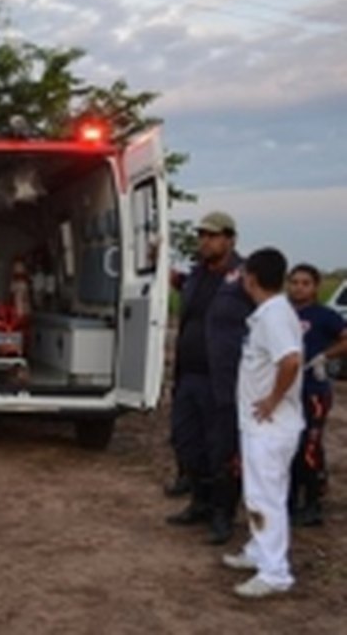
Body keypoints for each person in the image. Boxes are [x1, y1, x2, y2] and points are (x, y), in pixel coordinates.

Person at [166, 211, 253, 545]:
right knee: (187, 443)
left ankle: (222, 515)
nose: (205, 241)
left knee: (222, 450)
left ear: (230, 239)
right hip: (188, 376)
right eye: (202, 235)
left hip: (224, 381)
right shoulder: (197, 276)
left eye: (213, 235)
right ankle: (199, 503)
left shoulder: (245, 277)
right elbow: (180, 293)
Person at [222, 248, 304, 599]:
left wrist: (272, 399)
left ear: (251, 278)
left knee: (265, 496)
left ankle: (274, 571)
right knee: (263, 492)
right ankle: (259, 550)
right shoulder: (270, 313)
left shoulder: (273, 316)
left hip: (270, 426)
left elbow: (290, 361)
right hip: (261, 425)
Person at [286, 263, 347, 526]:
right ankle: (290, 499)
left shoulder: (324, 315)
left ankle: (312, 502)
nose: (299, 288)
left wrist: (325, 356)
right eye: (295, 282)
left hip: (314, 391)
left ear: (315, 286)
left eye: (305, 283)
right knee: (288, 446)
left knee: (308, 446)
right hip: (288, 390)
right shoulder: (282, 313)